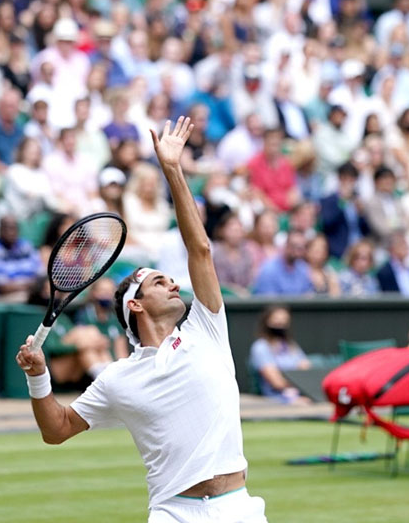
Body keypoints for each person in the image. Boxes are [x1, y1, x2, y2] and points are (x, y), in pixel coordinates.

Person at [15, 117, 269, 523]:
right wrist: (38, 377)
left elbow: (200, 249)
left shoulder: (207, 329)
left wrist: (172, 168)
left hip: (238, 508)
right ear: (135, 305)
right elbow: (56, 429)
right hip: (173, 513)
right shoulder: (118, 378)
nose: (172, 282)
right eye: (157, 281)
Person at [248, 305, 311, 404]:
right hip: (274, 398)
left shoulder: (291, 345)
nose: (281, 323)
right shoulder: (261, 346)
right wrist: (298, 383)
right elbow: (277, 382)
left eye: (284, 320)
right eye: (277, 320)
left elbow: (306, 368)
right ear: (267, 321)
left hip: (299, 393)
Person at [0, 215, 42, 302]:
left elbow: (40, 275)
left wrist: (32, 285)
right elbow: (2, 287)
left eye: (14, 228)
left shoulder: (26, 247)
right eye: (7, 228)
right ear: (0, 230)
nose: (11, 232)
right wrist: (28, 285)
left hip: (28, 295)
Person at [252, 230, 313, 296]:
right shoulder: (269, 269)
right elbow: (269, 301)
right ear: (286, 245)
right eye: (294, 246)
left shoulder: (303, 268)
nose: (298, 251)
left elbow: (308, 295)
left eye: (302, 247)